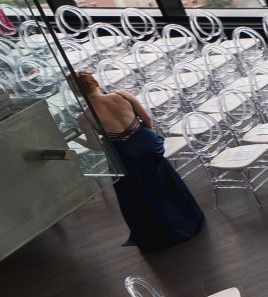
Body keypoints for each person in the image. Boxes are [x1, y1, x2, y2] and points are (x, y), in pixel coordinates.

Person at [73, 70, 205, 250]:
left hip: (125, 154)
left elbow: (96, 146)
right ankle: (188, 218)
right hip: (146, 144)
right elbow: (147, 119)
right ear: (96, 83)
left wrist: (75, 138)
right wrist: (144, 138)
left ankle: (159, 233)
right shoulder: (122, 95)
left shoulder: (85, 117)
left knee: (141, 194)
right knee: (164, 182)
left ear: (77, 94)